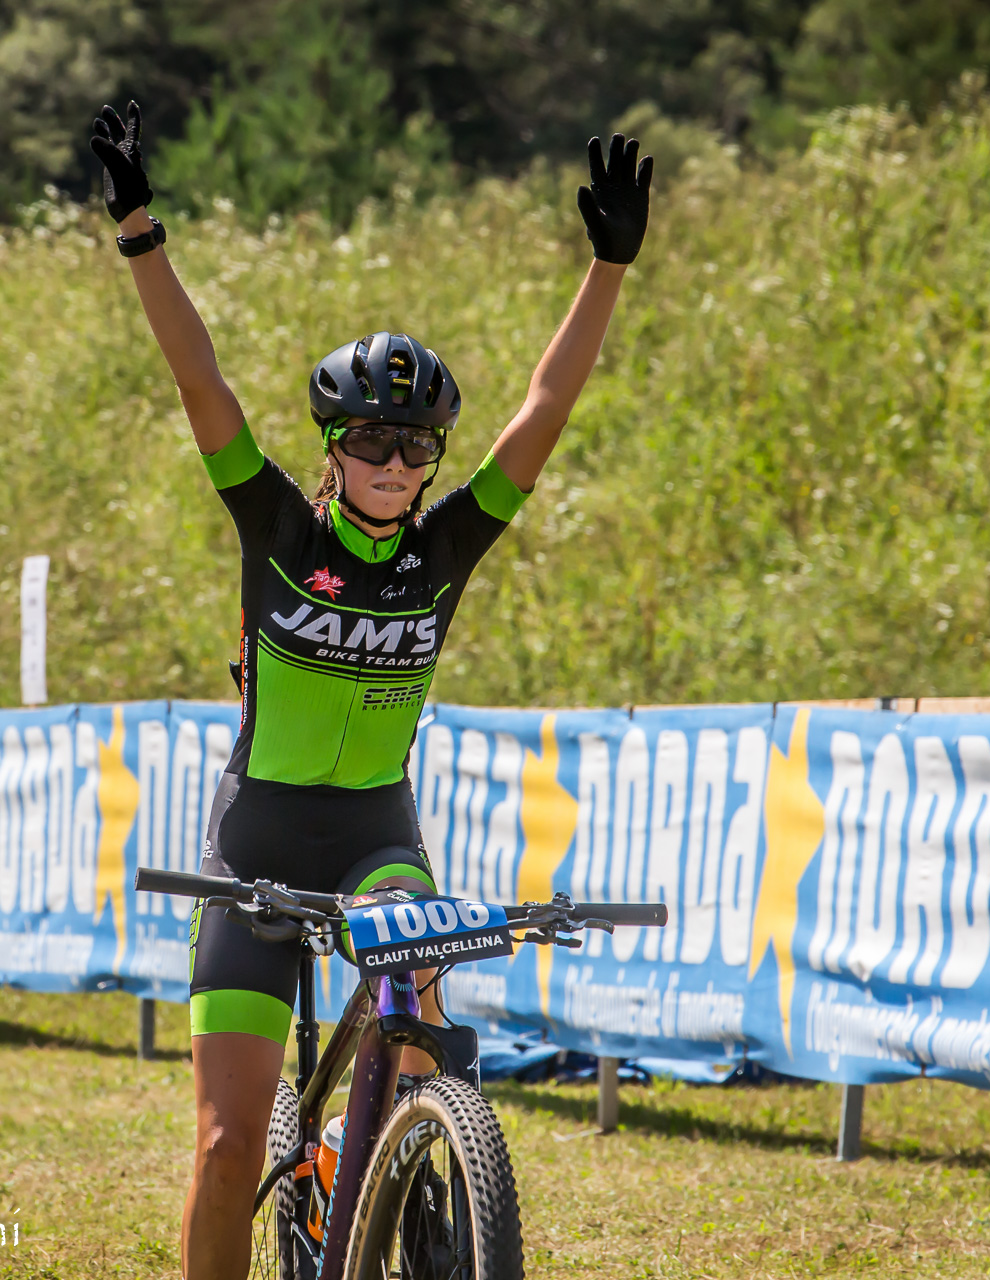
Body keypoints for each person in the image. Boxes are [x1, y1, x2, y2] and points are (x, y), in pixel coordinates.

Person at [89, 100, 652, 1278]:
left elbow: (542, 412)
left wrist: (606, 266)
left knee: (433, 1044)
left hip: (376, 838)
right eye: (371, 442)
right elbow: (200, 384)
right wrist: (140, 228)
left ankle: (404, 1150)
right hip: (258, 841)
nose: (396, 467)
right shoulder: (279, 525)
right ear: (333, 444)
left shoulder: (446, 549)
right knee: (228, 1142)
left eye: (415, 448)